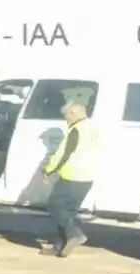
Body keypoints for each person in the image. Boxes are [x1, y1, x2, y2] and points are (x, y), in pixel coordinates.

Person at [39, 97, 98, 256]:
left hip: (72, 176)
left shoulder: (76, 130)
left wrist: (48, 170)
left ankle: (74, 234)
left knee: (55, 205)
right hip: (88, 177)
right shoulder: (92, 127)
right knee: (68, 212)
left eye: (66, 115)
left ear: (73, 113)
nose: (66, 119)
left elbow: (63, 153)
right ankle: (59, 247)